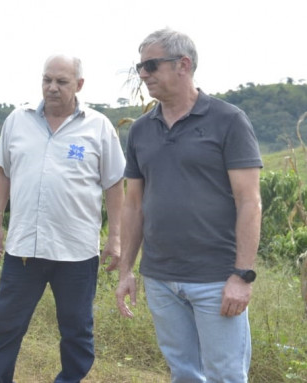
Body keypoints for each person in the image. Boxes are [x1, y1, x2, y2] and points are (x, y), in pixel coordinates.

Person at [115, 28, 262, 382]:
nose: (144, 74)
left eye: (151, 65)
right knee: (183, 372)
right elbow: (133, 205)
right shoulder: (140, 130)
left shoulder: (228, 121)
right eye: (140, 67)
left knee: (225, 374)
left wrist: (242, 276)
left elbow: (249, 201)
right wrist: (126, 270)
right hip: (161, 277)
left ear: (184, 64)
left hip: (216, 278)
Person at [0, 54, 126, 383]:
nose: (52, 87)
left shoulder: (98, 127)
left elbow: (115, 183)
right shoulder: (17, 121)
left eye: (61, 82)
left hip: (76, 253)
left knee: (77, 333)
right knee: (5, 327)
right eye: (47, 80)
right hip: (23, 251)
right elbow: (1, 170)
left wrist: (116, 237)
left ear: (79, 85)